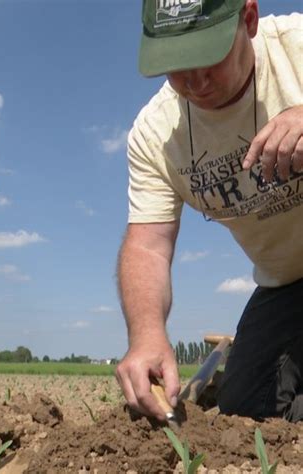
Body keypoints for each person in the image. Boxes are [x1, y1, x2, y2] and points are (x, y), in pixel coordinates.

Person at [116, 0, 303, 422]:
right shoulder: (155, 135)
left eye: (209, 56)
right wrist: (147, 334)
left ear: (249, 20)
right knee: (246, 409)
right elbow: (148, 246)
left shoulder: (296, 46)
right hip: (289, 285)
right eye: (178, 63)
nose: (196, 81)